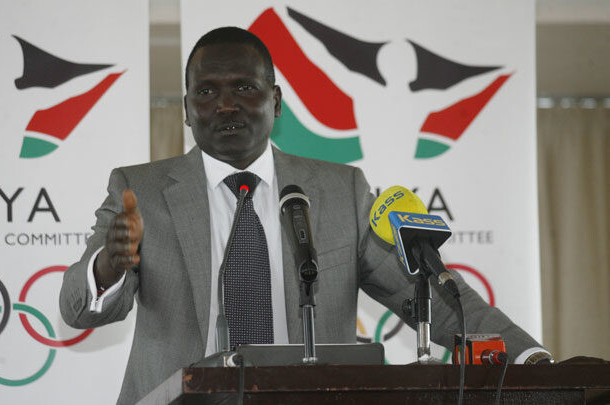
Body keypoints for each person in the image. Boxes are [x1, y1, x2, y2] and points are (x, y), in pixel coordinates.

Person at [59, 27, 552, 405]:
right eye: (206, 93)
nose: (225, 105)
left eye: (244, 88)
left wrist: (532, 360)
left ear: (275, 101)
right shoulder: (140, 191)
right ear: (186, 110)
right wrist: (109, 266)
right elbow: (77, 309)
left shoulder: (340, 192)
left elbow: (431, 297)